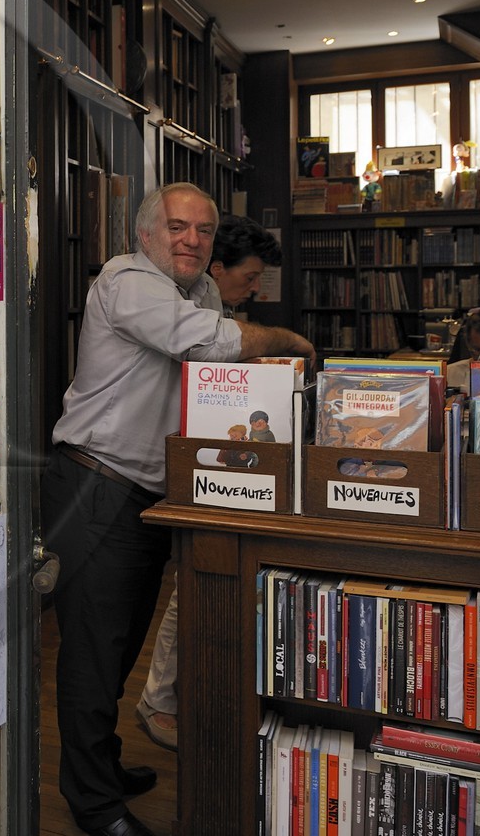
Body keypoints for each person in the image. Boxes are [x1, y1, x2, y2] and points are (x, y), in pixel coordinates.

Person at [44, 183, 312, 836]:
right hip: (96, 484)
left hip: (152, 497)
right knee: (92, 652)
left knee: (124, 645)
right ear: (145, 235)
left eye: (203, 230)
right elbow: (212, 345)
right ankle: (95, 806)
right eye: (176, 227)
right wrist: (288, 341)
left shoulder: (205, 294)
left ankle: (101, 766)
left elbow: (218, 382)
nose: (191, 239)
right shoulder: (124, 281)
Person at [136, 212, 283, 753]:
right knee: (192, 579)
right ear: (216, 270)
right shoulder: (184, 308)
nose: (256, 287)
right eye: (248, 277)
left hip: (191, 459)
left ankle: (171, 697)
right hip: (176, 463)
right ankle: (160, 699)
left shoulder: (211, 306)